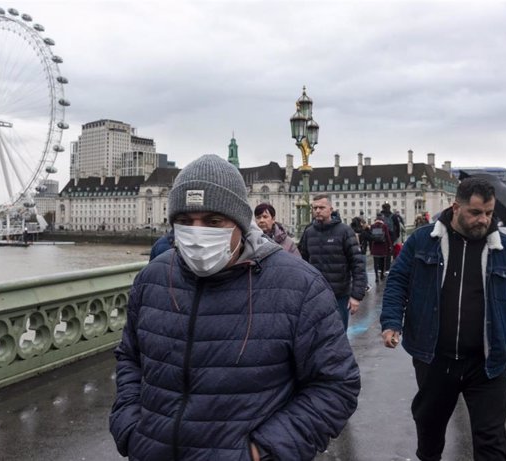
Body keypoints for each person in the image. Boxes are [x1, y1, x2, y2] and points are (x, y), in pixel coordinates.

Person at [110, 155, 360, 461]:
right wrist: (129, 426)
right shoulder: (152, 279)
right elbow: (130, 359)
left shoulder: (299, 286)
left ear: (240, 223)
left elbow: (336, 385)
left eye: (213, 221)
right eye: (185, 221)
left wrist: (263, 451)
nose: (197, 232)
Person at [380, 177, 506, 461]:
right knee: (430, 434)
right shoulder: (423, 241)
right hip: (436, 358)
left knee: (492, 442)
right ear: (456, 207)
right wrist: (391, 322)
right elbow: (398, 281)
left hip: (487, 363)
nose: (483, 220)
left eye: (488, 213)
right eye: (475, 212)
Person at [298, 194, 368, 331]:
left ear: (331, 209)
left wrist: (356, 296)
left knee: (338, 334)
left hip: (339, 295)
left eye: (321, 207)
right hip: (315, 296)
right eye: (315, 207)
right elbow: (302, 264)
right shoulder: (309, 232)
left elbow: (358, 264)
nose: (317, 210)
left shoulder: (344, 231)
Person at [369, 213, 392, 283]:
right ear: (382, 219)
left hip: (375, 247)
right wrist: (390, 245)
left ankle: (376, 277)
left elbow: (371, 237)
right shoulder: (384, 226)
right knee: (382, 262)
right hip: (383, 246)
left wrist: (371, 248)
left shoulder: (372, 226)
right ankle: (382, 275)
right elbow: (387, 236)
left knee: (375, 263)